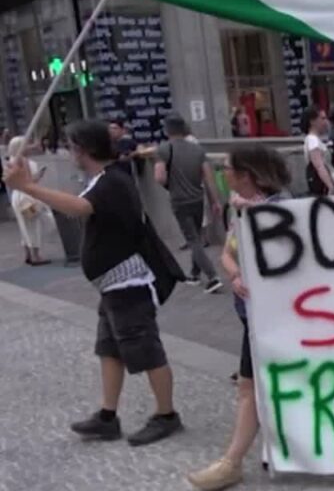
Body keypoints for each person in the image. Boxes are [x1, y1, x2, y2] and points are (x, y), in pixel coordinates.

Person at [4, 119, 183, 445]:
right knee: (109, 349)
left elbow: (79, 208)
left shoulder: (113, 180)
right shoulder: (103, 179)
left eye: (71, 146)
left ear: (83, 149)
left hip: (129, 284)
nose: (69, 152)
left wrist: (28, 187)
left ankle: (167, 414)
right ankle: (107, 416)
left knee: (145, 349)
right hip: (112, 286)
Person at [187, 144, 291, 491]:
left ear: (246, 175)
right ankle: (269, 450)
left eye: (227, 169)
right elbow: (228, 255)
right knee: (256, 385)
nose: (223, 174)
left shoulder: (281, 209)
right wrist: (235, 275)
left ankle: (232, 462)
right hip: (252, 315)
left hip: (278, 318)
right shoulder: (239, 209)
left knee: (251, 386)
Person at [155, 114, 223, 293]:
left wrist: (170, 186)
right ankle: (194, 274)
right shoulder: (197, 149)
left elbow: (159, 177)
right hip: (198, 198)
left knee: (192, 240)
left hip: (179, 200)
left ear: (167, 129)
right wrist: (215, 201)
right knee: (197, 236)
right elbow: (209, 178)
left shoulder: (164, 149)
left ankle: (213, 276)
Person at [6, 136, 55, 265]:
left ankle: (28, 254)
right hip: (27, 196)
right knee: (35, 224)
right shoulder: (23, 161)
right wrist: (39, 175)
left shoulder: (11, 160)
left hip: (17, 196)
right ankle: (36, 256)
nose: (29, 147)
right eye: (26, 144)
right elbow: (29, 182)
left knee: (24, 225)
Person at [301, 106, 334, 196]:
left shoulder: (315, 140)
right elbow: (319, 165)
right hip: (323, 188)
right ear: (312, 121)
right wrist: (330, 186)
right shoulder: (313, 140)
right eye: (322, 118)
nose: (326, 122)